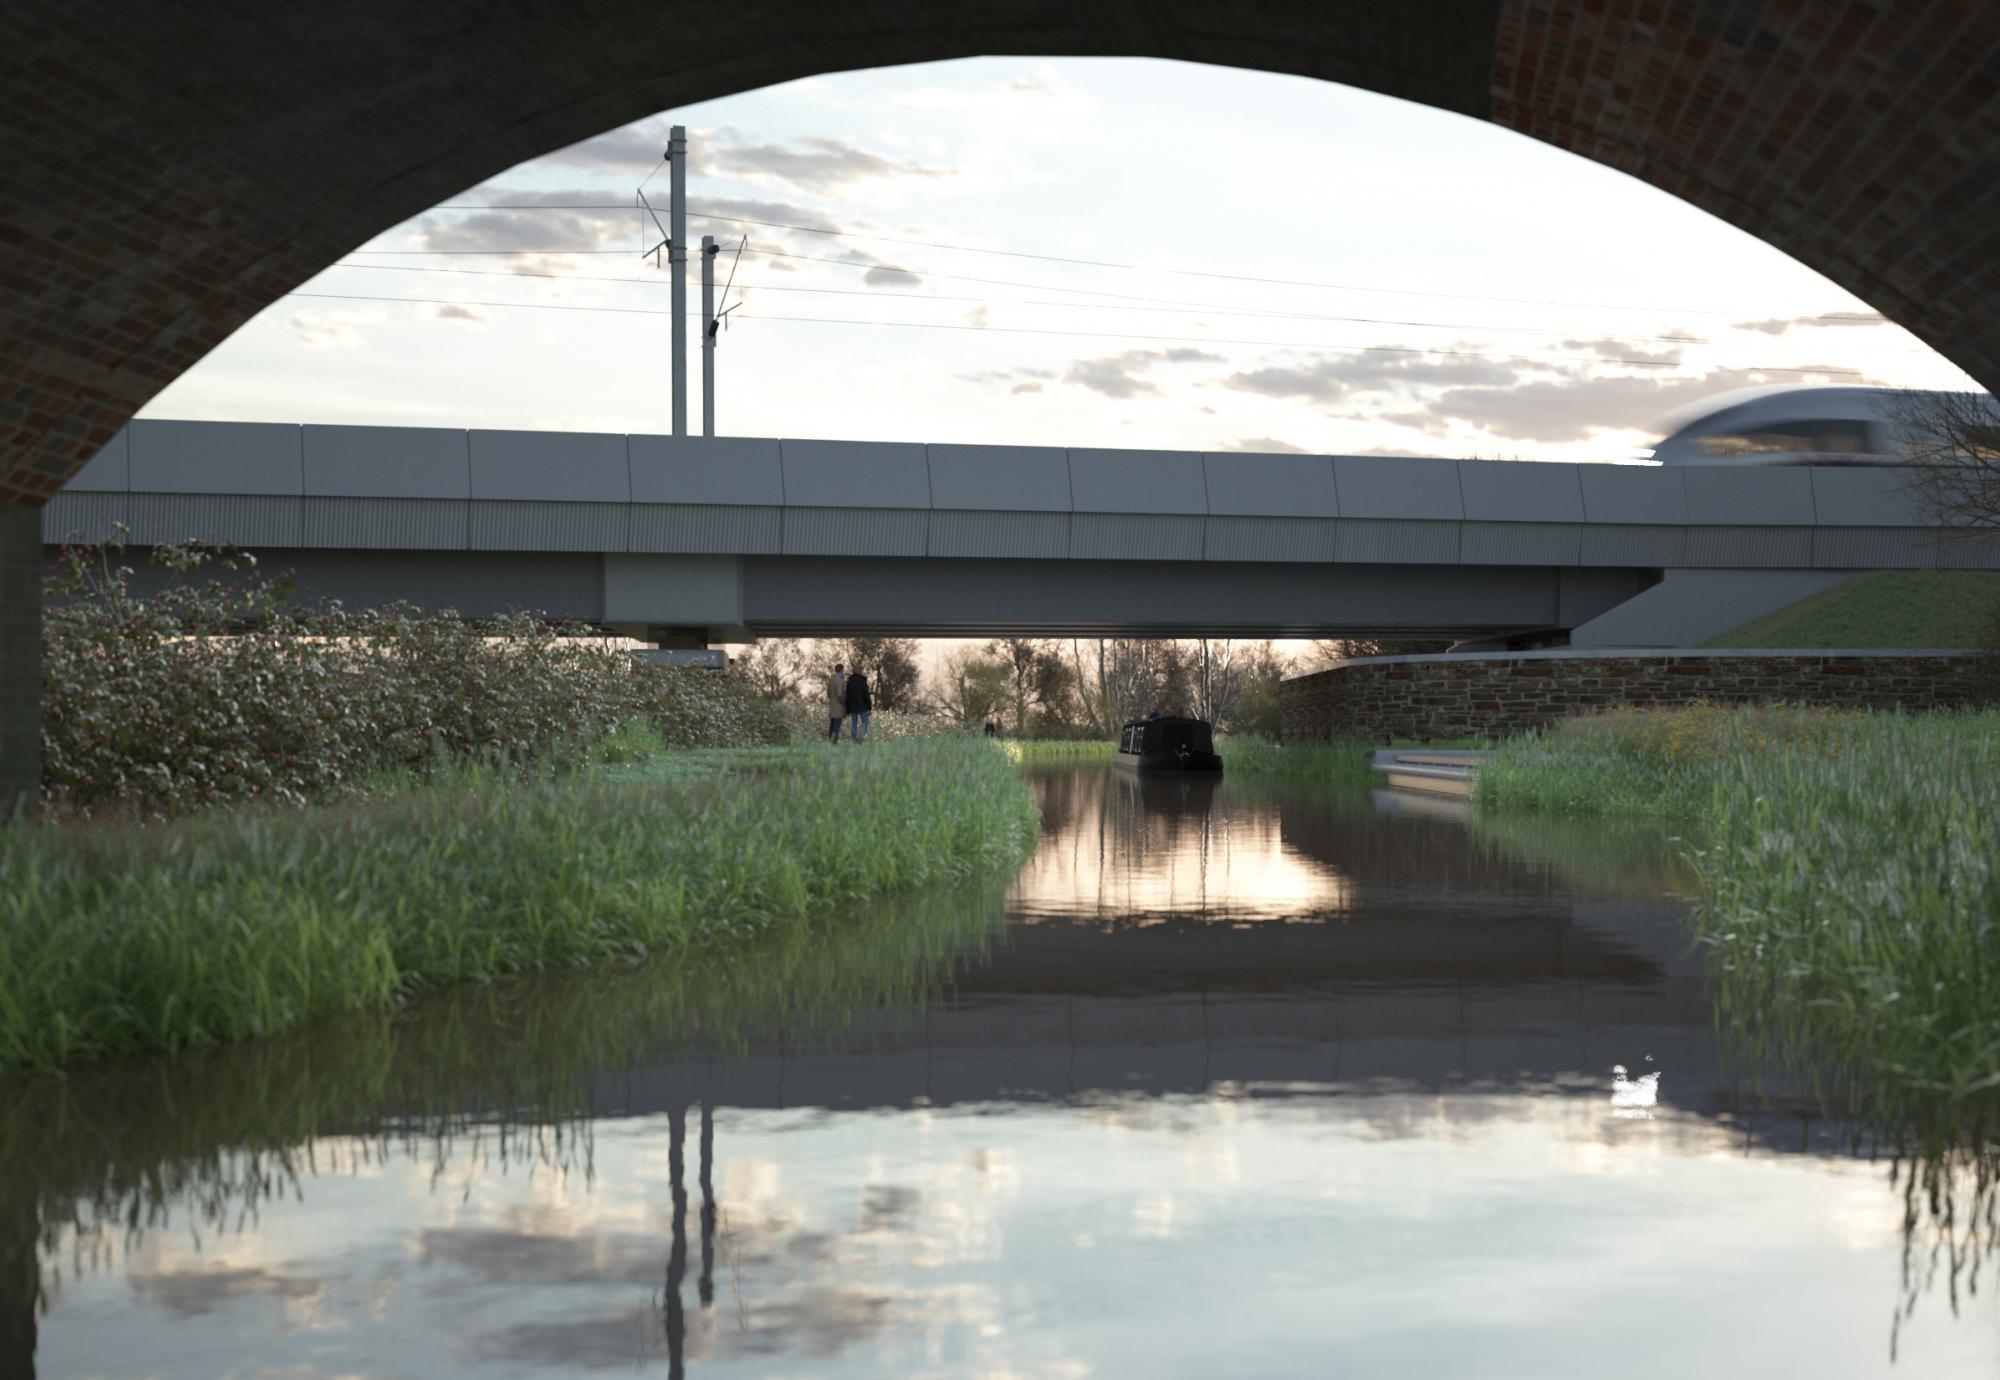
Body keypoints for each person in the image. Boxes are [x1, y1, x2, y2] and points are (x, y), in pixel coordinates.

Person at [845, 666, 873, 742]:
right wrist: (869, 707)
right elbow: (866, 695)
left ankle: (854, 738)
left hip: (852, 706)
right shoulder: (862, 681)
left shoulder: (849, 682)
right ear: (860, 671)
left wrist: (847, 709)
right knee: (865, 721)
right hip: (862, 705)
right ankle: (861, 736)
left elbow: (847, 696)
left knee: (854, 723)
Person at [824, 662, 847, 745]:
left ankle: (830, 739)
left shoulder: (831, 680)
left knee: (832, 723)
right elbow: (840, 694)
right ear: (841, 670)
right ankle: (834, 741)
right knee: (837, 724)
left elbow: (828, 693)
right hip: (839, 706)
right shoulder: (840, 681)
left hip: (832, 705)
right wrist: (844, 702)